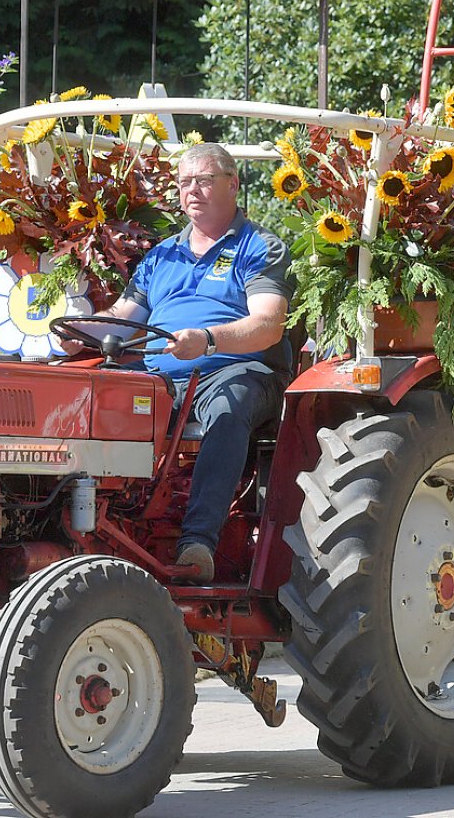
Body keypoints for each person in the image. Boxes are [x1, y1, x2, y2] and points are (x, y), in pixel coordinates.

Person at [61, 142, 294, 582]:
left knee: (229, 408)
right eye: (185, 182)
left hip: (235, 369)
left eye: (205, 180)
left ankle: (198, 543)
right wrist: (74, 331)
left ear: (233, 184)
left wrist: (207, 340)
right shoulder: (162, 254)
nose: (193, 190)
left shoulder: (259, 246)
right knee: (83, 395)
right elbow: (122, 323)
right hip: (160, 376)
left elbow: (268, 325)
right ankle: (85, 527)